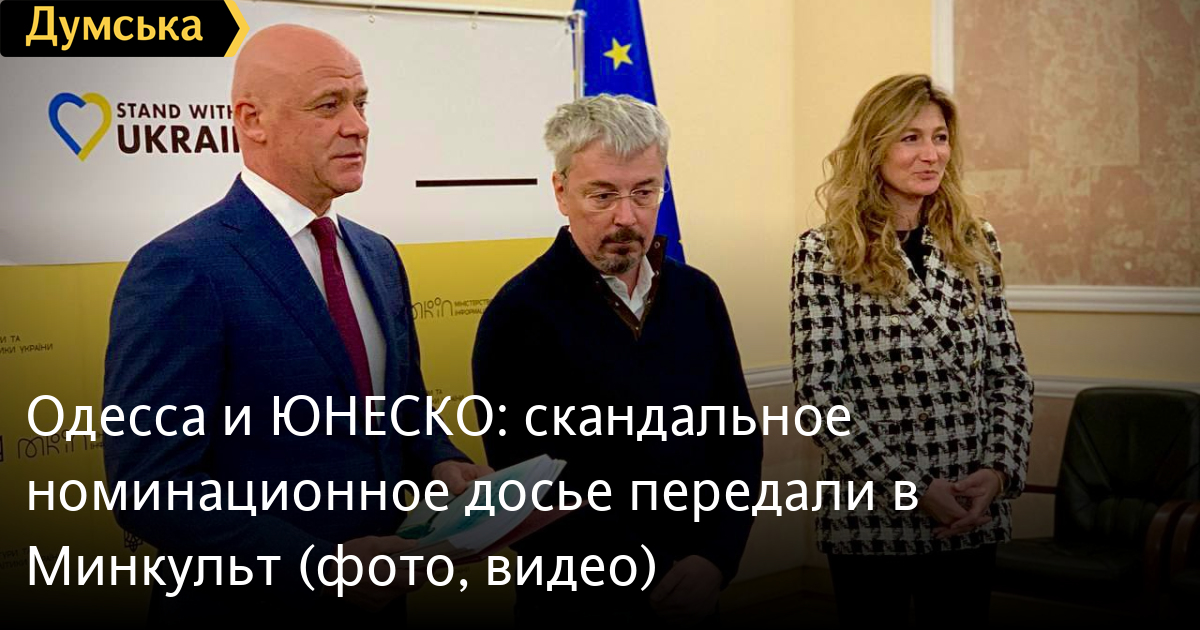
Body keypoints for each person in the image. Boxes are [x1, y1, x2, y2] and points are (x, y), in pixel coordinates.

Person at [102, 24, 491, 623]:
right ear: (252, 120)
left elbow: (402, 408)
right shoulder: (181, 267)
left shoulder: (378, 255)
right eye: (328, 105)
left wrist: (441, 460)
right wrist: (318, 567)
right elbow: (150, 487)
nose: (357, 126)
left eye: (361, 103)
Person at [473, 94, 763, 626]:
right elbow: (528, 487)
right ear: (560, 192)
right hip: (578, 606)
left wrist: (715, 558)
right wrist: (657, 574)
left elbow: (737, 439)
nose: (626, 217)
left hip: (698, 587)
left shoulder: (698, 296)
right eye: (602, 195)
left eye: (644, 192)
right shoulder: (519, 314)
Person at [790, 74, 1033, 625]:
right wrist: (914, 490)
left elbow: (1008, 375)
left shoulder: (975, 240)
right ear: (873, 148)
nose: (931, 154)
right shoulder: (824, 252)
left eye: (940, 137)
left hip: (971, 507)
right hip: (874, 513)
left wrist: (998, 471)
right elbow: (818, 400)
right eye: (910, 138)